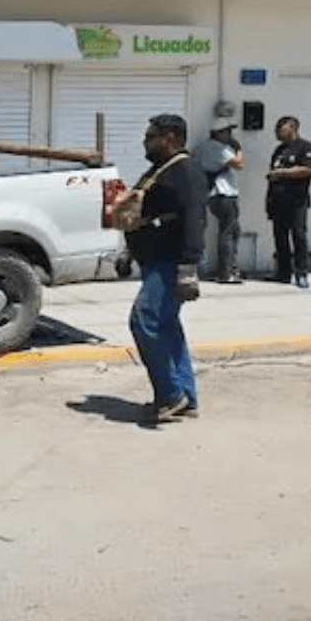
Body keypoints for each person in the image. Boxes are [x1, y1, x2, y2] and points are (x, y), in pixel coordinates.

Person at [125, 114, 208, 422]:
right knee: (167, 328)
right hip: (153, 259)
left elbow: (194, 218)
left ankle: (171, 395)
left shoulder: (187, 171)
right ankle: (185, 397)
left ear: (171, 137)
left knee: (144, 321)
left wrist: (188, 265)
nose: (145, 142)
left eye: (151, 136)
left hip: (170, 261)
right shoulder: (160, 171)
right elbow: (142, 211)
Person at [265, 115, 311, 289]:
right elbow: (272, 173)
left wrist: (281, 174)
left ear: (293, 128)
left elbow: (306, 170)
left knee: (299, 236)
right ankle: (283, 272)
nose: (277, 132)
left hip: (297, 201)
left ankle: (301, 272)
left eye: (281, 128)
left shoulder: (304, 147)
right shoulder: (279, 150)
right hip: (278, 201)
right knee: (280, 237)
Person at [195, 118, 245, 284]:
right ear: (217, 133)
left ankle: (226, 268)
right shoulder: (218, 147)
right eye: (226, 132)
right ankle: (227, 272)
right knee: (228, 233)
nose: (229, 135)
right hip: (224, 193)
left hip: (212, 194)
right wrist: (238, 149)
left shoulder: (203, 147)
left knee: (230, 231)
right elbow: (239, 164)